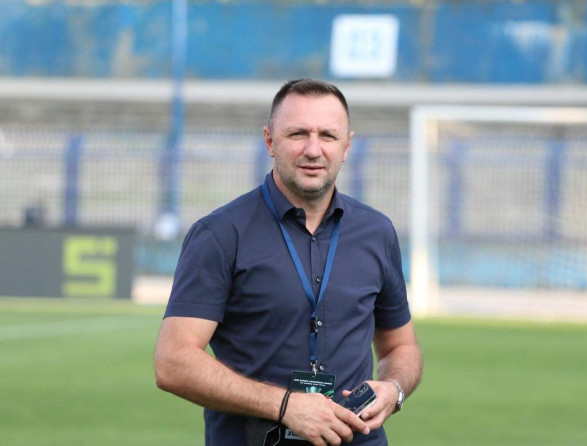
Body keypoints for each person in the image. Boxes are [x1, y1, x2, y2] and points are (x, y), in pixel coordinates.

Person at [154, 79, 423, 446]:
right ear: (269, 141)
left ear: (347, 146)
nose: (313, 149)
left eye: (327, 135)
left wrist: (394, 388)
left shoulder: (377, 232)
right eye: (298, 134)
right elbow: (172, 362)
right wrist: (284, 405)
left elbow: (400, 347)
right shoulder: (220, 234)